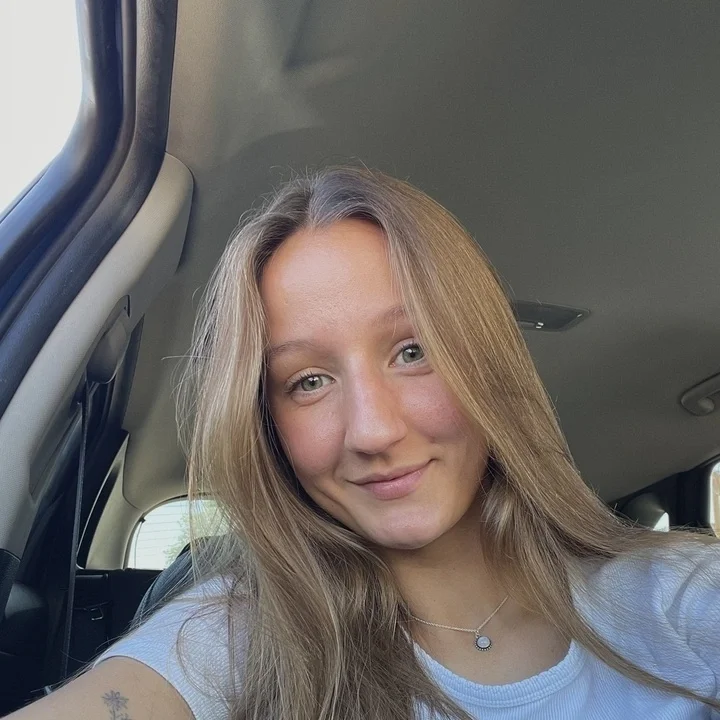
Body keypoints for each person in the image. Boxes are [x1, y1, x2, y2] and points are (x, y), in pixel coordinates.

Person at [9, 166, 720, 720]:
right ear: (268, 426)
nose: (374, 430)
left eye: (413, 351)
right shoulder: (236, 636)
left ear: (486, 362)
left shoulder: (680, 596)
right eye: (309, 381)